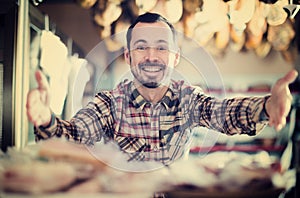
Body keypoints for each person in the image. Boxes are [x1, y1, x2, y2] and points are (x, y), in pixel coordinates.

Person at [27, 12, 298, 165]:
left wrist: (264, 107)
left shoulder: (188, 99)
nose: (152, 56)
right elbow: (71, 135)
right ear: (129, 56)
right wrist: (46, 121)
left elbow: (223, 112)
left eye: (161, 47)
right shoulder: (108, 104)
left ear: (175, 57)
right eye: (141, 47)